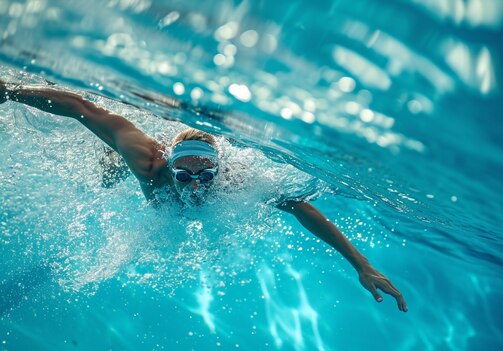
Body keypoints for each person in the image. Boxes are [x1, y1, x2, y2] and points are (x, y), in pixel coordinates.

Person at [0, 79, 408, 312]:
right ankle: (111, 155)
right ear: (169, 166)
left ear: (219, 169)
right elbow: (81, 107)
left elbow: (301, 207)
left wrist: (362, 263)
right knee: (111, 166)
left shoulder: (238, 181)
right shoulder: (148, 162)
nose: (195, 185)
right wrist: (11, 90)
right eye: (184, 174)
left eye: (205, 175)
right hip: (140, 150)